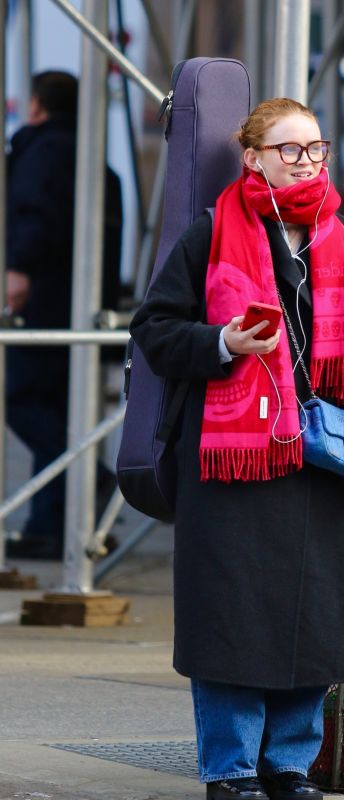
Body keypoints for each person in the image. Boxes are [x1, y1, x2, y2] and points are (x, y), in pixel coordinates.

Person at [130, 98, 344, 800]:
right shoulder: (207, 233)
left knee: (315, 624)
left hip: (320, 467)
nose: (307, 161)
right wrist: (223, 343)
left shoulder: (341, 237)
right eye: (291, 150)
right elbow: (154, 329)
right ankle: (230, 769)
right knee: (231, 624)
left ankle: (288, 763)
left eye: (315, 148)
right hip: (232, 463)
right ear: (252, 157)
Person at [5, 71, 122, 561]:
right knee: (58, 407)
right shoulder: (98, 159)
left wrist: (19, 269)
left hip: (49, 300)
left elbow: (34, 215)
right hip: (86, 302)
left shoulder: (43, 150)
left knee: (25, 401)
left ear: (36, 105)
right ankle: (51, 525)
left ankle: (88, 482)